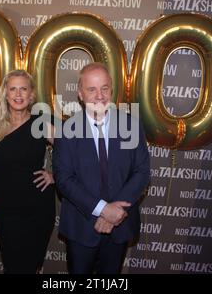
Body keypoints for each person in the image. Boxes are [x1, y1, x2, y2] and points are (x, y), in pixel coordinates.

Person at [53, 62, 150, 274]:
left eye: (104, 88)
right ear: (80, 93)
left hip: (120, 225)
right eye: (92, 89)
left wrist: (115, 213)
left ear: (112, 90)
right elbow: (64, 180)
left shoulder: (130, 125)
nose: (100, 96)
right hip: (82, 228)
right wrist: (104, 210)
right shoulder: (67, 130)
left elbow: (142, 172)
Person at [0, 70, 55, 274]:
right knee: (13, 267)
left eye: (23, 89)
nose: (18, 95)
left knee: (31, 267)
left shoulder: (41, 123)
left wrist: (55, 175)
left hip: (38, 208)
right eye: (13, 89)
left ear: (31, 95)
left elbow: (75, 152)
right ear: (5, 93)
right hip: (6, 211)